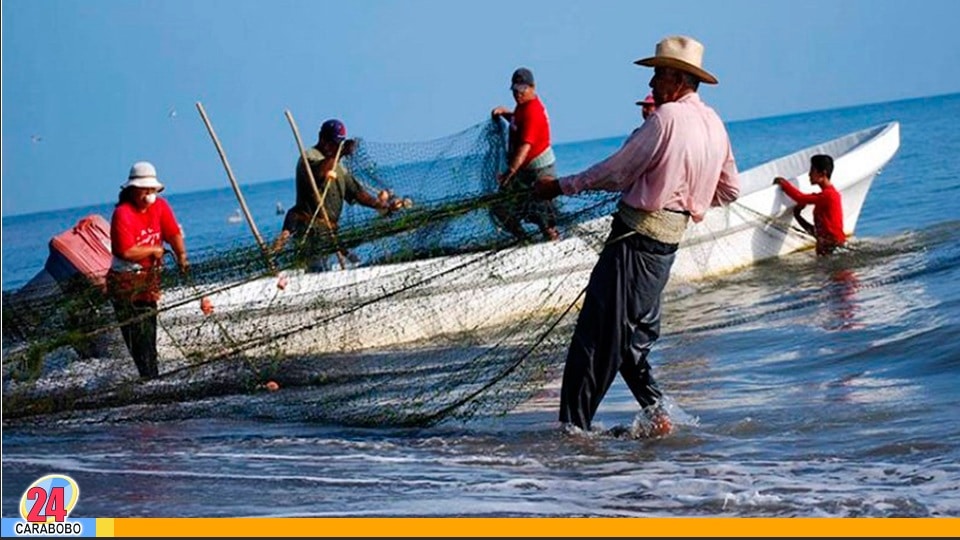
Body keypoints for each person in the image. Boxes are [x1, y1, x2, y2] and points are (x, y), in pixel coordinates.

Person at [533, 35, 740, 435]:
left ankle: (572, 434)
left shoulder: (666, 120)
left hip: (634, 243)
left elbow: (616, 172)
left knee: (594, 340)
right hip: (663, 249)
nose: (651, 86)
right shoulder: (714, 124)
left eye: (658, 76)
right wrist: (687, 198)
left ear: (679, 80)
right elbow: (729, 190)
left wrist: (559, 187)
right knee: (629, 341)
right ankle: (659, 415)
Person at [106, 161, 189, 380]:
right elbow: (125, 251)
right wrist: (155, 249)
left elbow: (173, 233)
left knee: (149, 337)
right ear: (132, 190)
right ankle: (149, 381)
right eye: (144, 190)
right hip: (125, 287)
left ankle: (152, 380)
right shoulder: (122, 213)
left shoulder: (160, 207)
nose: (148, 195)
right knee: (138, 342)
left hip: (149, 284)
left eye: (152, 190)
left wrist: (181, 255)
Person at [273, 119, 396, 264]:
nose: (335, 147)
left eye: (339, 144)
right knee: (315, 270)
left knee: (344, 264)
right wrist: (341, 153)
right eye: (333, 143)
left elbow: (358, 193)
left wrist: (382, 205)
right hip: (310, 231)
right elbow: (319, 174)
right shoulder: (309, 157)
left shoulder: (339, 165)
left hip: (330, 234)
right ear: (322, 138)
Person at [490, 67, 560, 242]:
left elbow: (525, 147)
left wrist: (510, 171)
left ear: (532, 87)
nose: (518, 94)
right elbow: (518, 122)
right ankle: (524, 240)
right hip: (523, 171)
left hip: (540, 170)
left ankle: (554, 243)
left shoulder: (533, 111)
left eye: (522, 90)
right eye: (515, 90)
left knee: (544, 214)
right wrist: (505, 113)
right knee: (499, 206)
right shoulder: (522, 107)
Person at [773, 154, 845, 256]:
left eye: (812, 170)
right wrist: (797, 215)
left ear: (822, 173)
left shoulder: (829, 196)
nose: (809, 174)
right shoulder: (825, 197)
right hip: (831, 250)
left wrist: (784, 184)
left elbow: (800, 198)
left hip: (833, 250)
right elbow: (817, 233)